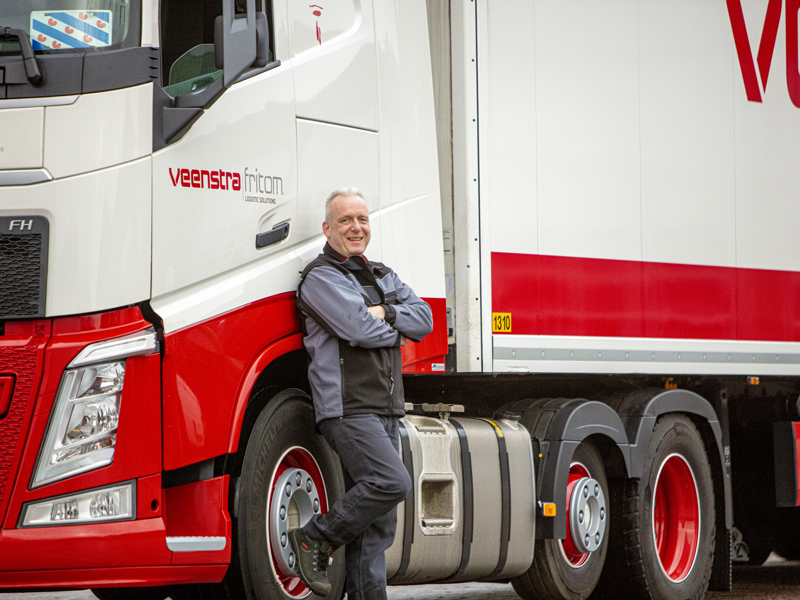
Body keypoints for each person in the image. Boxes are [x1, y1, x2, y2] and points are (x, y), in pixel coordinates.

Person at [290, 187, 434, 600]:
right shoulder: (320, 278)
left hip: (385, 408)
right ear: (327, 228)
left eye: (362, 219)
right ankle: (315, 536)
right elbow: (358, 329)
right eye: (345, 221)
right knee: (391, 482)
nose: (356, 228)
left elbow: (423, 320)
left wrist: (386, 312)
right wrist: (392, 328)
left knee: (378, 526)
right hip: (348, 409)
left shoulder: (382, 274)